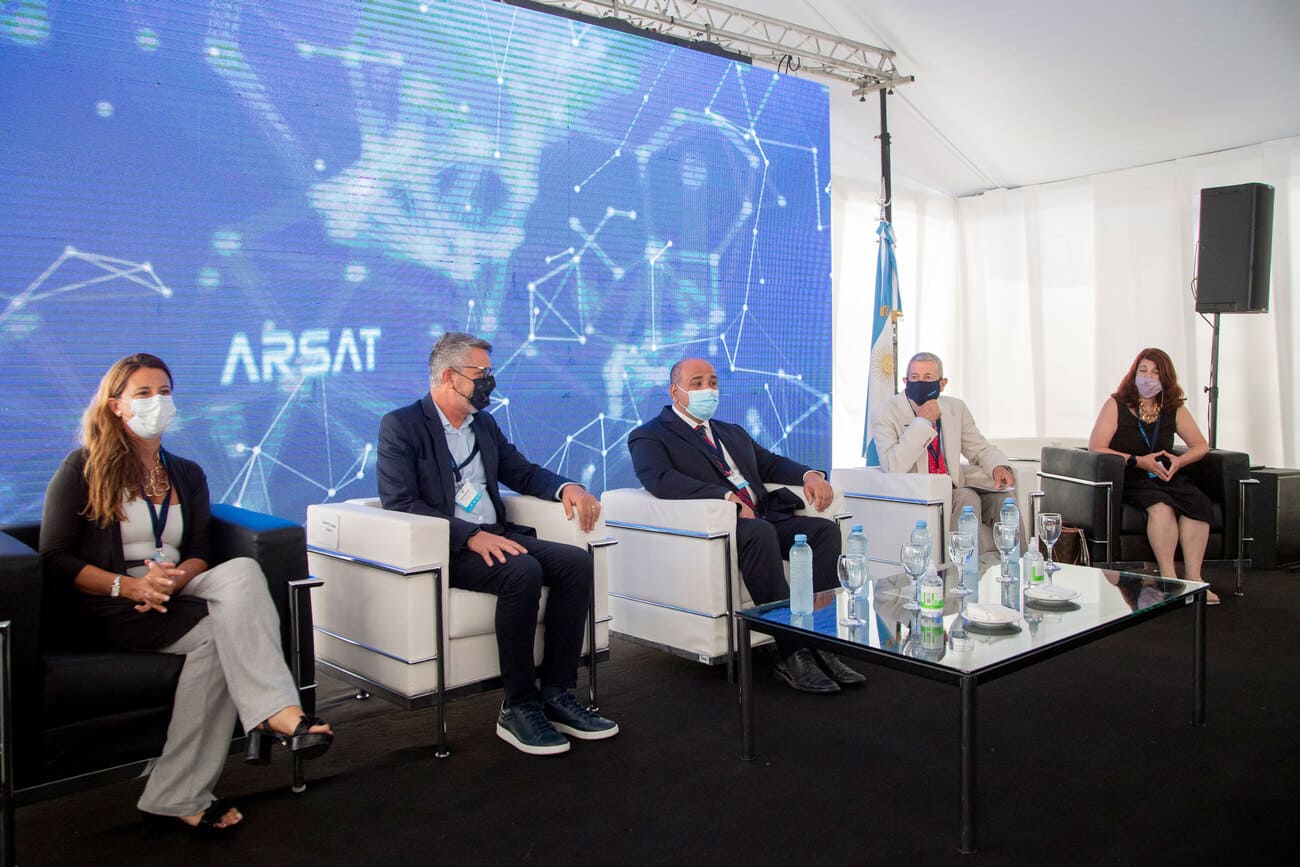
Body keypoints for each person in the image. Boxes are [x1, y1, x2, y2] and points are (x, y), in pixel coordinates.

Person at [39, 353, 332, 834]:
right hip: (112, 601)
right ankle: (204, 772)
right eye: (144, 394)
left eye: (165, 392)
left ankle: (275, 712)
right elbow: (54, 558)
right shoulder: (82, 467)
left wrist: (176, 578)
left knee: (239, 571)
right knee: (219, 638)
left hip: (177, 587)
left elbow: (198, 551)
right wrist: (129, 583)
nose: (159, 402)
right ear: (116, 406)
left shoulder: (186, 473)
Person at [377, 332, 618, 755]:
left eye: (491, 371)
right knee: (522, 571)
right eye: (482, 373)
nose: (490, 380)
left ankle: (556, 693)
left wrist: (567, 487)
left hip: (498, 535)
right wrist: (469, 535)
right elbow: (401, 502)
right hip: (447, 547)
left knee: (575, 564)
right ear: (450, 377)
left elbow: (521, 472)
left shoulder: (482, 424)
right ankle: (518, 704)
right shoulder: (402, 426)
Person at [627, 357, 864, 695]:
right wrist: (723, 496)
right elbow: (660, 480)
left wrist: (809, 474)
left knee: (823, 532)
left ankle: (821, 642)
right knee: (760, 532)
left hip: (766, 515)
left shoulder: (730, 432)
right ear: (675, 392)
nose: (707, 389)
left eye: (712, 382)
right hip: (723, 527)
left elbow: (770, 463)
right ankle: (791, 651)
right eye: (696, 383)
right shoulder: (650, 436)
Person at [1088, 348, 1218, 604]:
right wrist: (1137, 461)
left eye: (1155, 372)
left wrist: (1180, 461)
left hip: (1164, 475)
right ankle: (1170, 580)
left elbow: (1201, 445)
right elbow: (1097, 446)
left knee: (1198, 504)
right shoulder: (1116, 404)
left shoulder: (1173, 408)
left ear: (1165, 378)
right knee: (1161, 507)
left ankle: (1194, 580)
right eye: (1143, 370)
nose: (1148, 377)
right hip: (1131, 475)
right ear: (1134, 373)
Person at [870, 351, 1014, 557]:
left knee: (1003, 498)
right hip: (918, 492)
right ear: (905, 381)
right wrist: (923, 422)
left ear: (942, 383)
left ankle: (1019, 570)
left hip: (952, 486)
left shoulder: (955, 408)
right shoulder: (885, 412)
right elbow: (893, 466)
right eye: (914, 378)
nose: (920, 383)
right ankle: (964, 574)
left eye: (928, 378)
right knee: (967, 497)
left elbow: (979, 448)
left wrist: (999, 466)